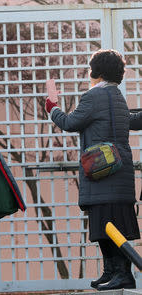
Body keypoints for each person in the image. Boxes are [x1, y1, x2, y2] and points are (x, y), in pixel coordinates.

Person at [45, 49, 139, 290]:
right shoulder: (116, 95)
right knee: (108, 224)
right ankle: (112, 271)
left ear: (96, 72)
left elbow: (69, 123)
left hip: (103, 172)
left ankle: (121, 273)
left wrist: (52, 107)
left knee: (107, 224)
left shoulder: (94, 97)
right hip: (118, 171)